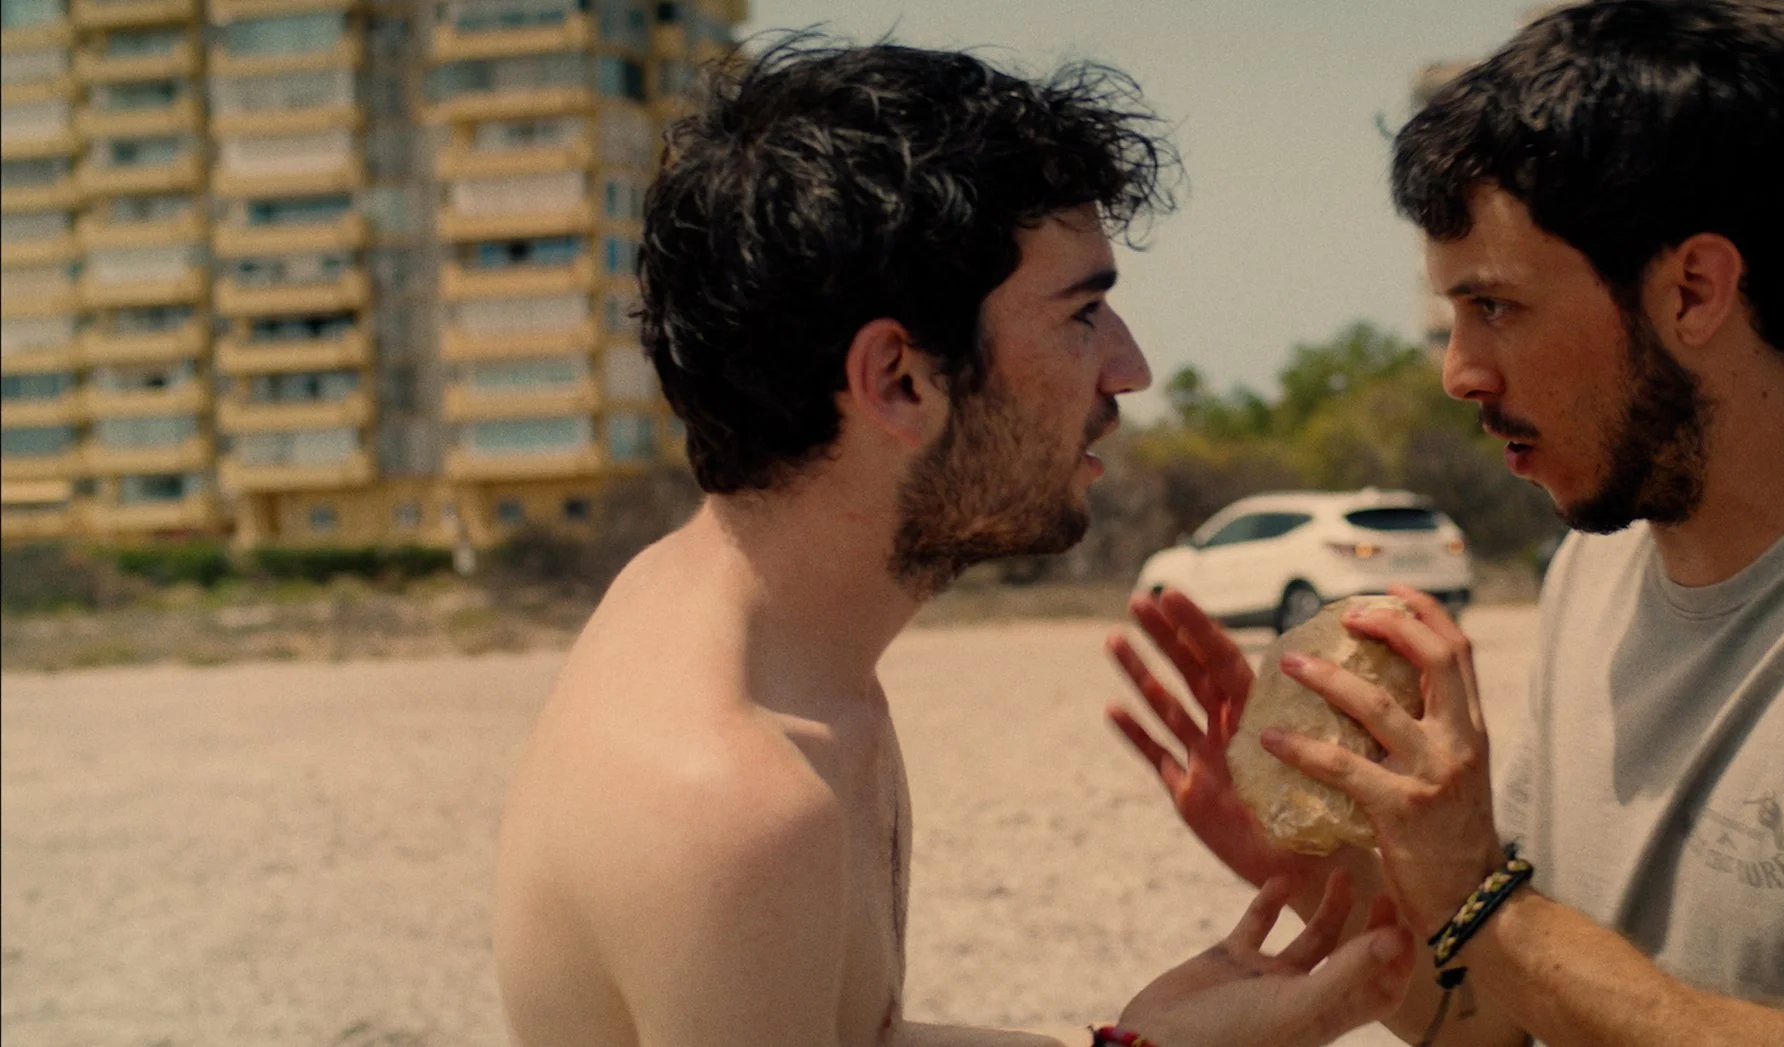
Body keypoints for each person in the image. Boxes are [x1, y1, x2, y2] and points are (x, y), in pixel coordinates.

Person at [1108, 3, 1784, 1045]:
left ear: (1692, 290)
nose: (1459, 372)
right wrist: (1316, 860)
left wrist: (1480, 894)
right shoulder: (1594, 572)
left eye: (1495, 307)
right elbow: (1495, 1021)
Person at [491, 40, 1415, 1047]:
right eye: (1082, 313)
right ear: (897, 379)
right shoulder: (732, 803)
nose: (1130, 367)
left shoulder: (767, 649)